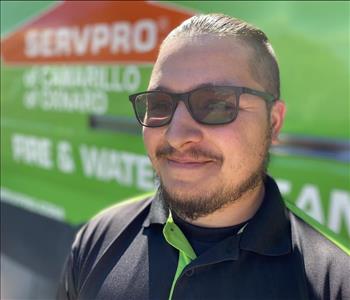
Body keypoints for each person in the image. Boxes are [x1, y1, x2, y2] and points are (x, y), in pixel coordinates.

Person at [58, 14, 349, 300]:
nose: (176, 135)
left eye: (216, 105)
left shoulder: (333, 283)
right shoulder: (98, 240)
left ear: (273, 123)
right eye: (159, 104)